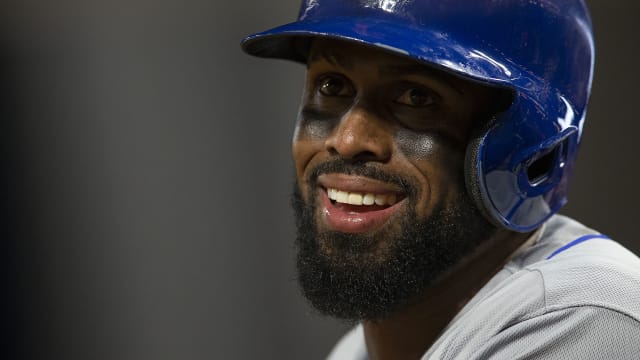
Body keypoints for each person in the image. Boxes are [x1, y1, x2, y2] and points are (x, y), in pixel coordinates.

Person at [241, 0, 640, 358]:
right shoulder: (356, 350)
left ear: (533, 148)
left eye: (417, 97)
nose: (347, 141)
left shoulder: (582, 318)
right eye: (332, 86)